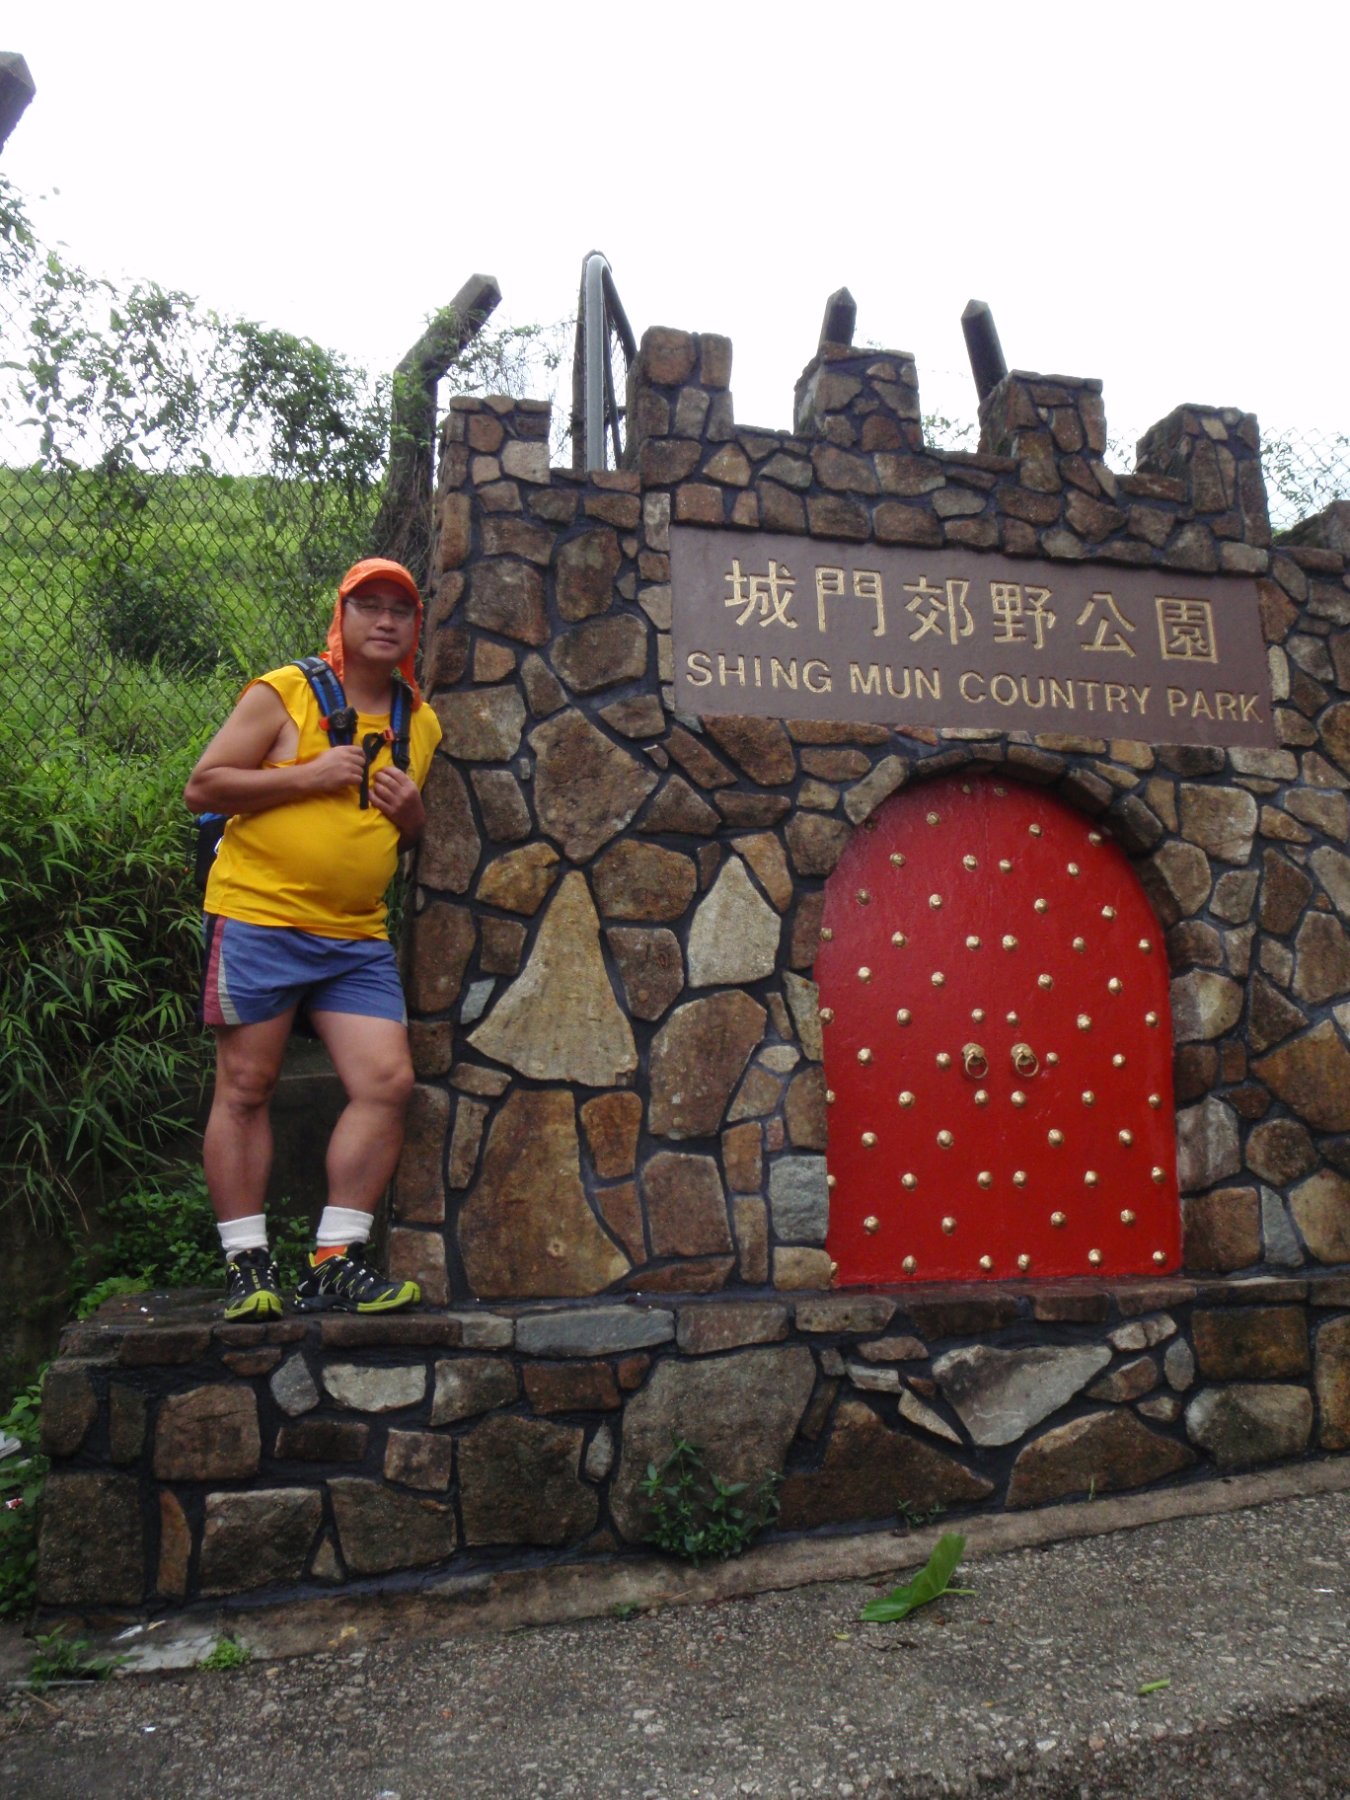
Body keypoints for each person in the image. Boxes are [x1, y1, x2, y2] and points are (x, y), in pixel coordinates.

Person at [184, 557, 443, 1319]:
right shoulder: (284, 691)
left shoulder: (420, 722)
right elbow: (203, 786)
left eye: (400, 609)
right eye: (370, 605)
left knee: (386, 1082)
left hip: (354, 936)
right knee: (246, 1086)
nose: (386, 620)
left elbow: (397, 834)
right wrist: (308, 775)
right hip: (258, 916)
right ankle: (247, 1263)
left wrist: (413, 818)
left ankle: (335, 1258)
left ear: (415, 626)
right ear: (343, 615)